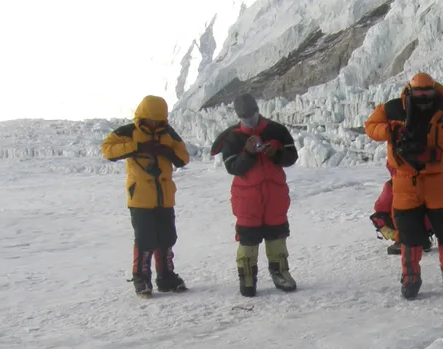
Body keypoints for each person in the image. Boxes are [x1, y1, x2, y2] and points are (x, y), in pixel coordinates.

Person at [365, 73, 443, 300]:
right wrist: (391, 131)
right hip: (405, 180)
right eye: (420, 92)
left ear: (435, 90)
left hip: (436, 179)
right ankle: (410, 278)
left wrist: (436, 153)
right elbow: (371, 126)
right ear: (410, 91)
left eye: (428, 92)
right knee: (409, 233)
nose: (424, 97)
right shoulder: (393, 110)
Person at [210, 94, 299, 297]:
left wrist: (275, 154)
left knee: (277, 235)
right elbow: (233, 167)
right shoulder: (232, 137)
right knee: (248, 239)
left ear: (257, 111)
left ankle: (280, 273)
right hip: (247, 198)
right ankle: (247, 278)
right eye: (245, 117)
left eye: (251, 115)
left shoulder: (276, 130)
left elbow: (291, 156)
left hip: (275, 194)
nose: (249, 121)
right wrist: (249, 154)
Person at [101, 95, 190, 298]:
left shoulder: (168, 134)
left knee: (166, 238)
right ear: (143, 116)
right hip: (140, 198)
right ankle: (141, 279)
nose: (154, 124)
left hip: (164, 197)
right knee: (145, 239)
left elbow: (183, 157)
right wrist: (136, 147)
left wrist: (166, 151)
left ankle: (166, 278)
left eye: (158, 121)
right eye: (151, 120)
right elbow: (107, 150)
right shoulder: (129, 132)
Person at [370, 162, 434, 255]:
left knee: (378, 216)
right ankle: (424, 240)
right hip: (428, 226)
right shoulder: (429, 180)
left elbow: (379, 206)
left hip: (405, 225)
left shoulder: (391, 185)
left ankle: (400, 241)